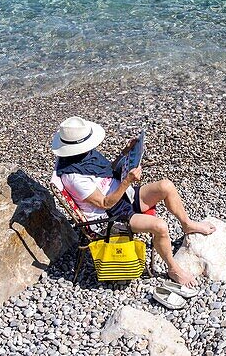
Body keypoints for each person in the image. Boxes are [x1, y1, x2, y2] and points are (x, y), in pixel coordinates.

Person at [51, 116, 215, 286]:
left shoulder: (85, 157)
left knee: (166, 186)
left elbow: (107, 172)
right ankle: (173, 268)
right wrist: (127, 181)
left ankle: (187, 224)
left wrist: (125, 154)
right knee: (160, 226)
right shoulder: (74, 176)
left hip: (122, 196)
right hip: (110, 217)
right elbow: (105, 203)